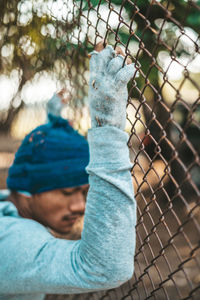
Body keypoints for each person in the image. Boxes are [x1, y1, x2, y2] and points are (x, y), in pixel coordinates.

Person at [0, 42, 137, 300]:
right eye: (67, 192)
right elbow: (105, 269)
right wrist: (108, 129)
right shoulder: (10, 240)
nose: (79, 206)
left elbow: (36, 165)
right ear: (26, 192)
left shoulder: (12, 203)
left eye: (85, 193)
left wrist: (54, 117)